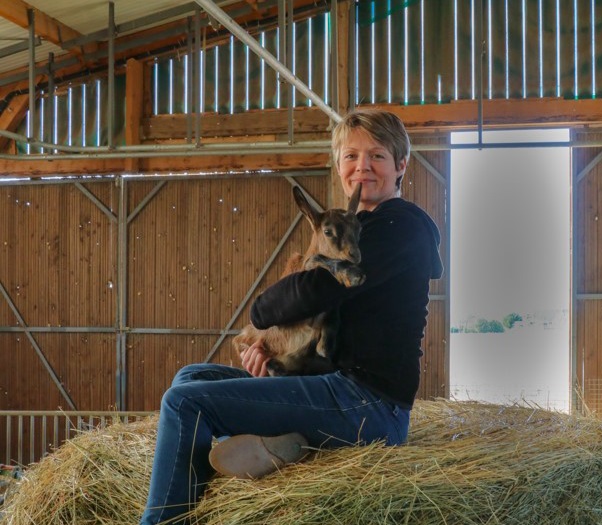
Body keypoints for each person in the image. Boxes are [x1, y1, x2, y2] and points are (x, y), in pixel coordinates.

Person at [140, 109, 443, 524]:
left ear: (401, 165)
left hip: (368, 404)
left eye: (377, 156)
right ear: (338, 167)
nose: (362, 167)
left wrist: (261, 312)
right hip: (329, 383)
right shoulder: (357, 224)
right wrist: (272, 352)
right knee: (192, 378)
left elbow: (313, 289)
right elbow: (308, 298)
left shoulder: (399, 226)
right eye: (351, 156)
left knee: (184, 403)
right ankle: (271, 443)